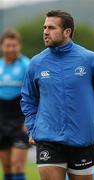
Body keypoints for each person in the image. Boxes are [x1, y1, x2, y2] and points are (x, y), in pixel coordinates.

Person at [21, 10, 94, 180]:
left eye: (51, 28)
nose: (45, 31)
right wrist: (32, 126)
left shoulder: (89, 60)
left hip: (82, 139)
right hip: (48, 139)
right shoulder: (36, 63)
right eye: (44, 27)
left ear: (67, 32)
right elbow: (28, 98)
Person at [0, 29, 30, 180]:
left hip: (20, 121)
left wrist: (29, 119)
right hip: (2, 120)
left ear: (19, 46)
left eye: (14, 45)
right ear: (2, 47)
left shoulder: (27, 65)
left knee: (17, 164)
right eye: (8, 45)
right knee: (6, 166)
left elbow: (35, 94)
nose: (11, 48)